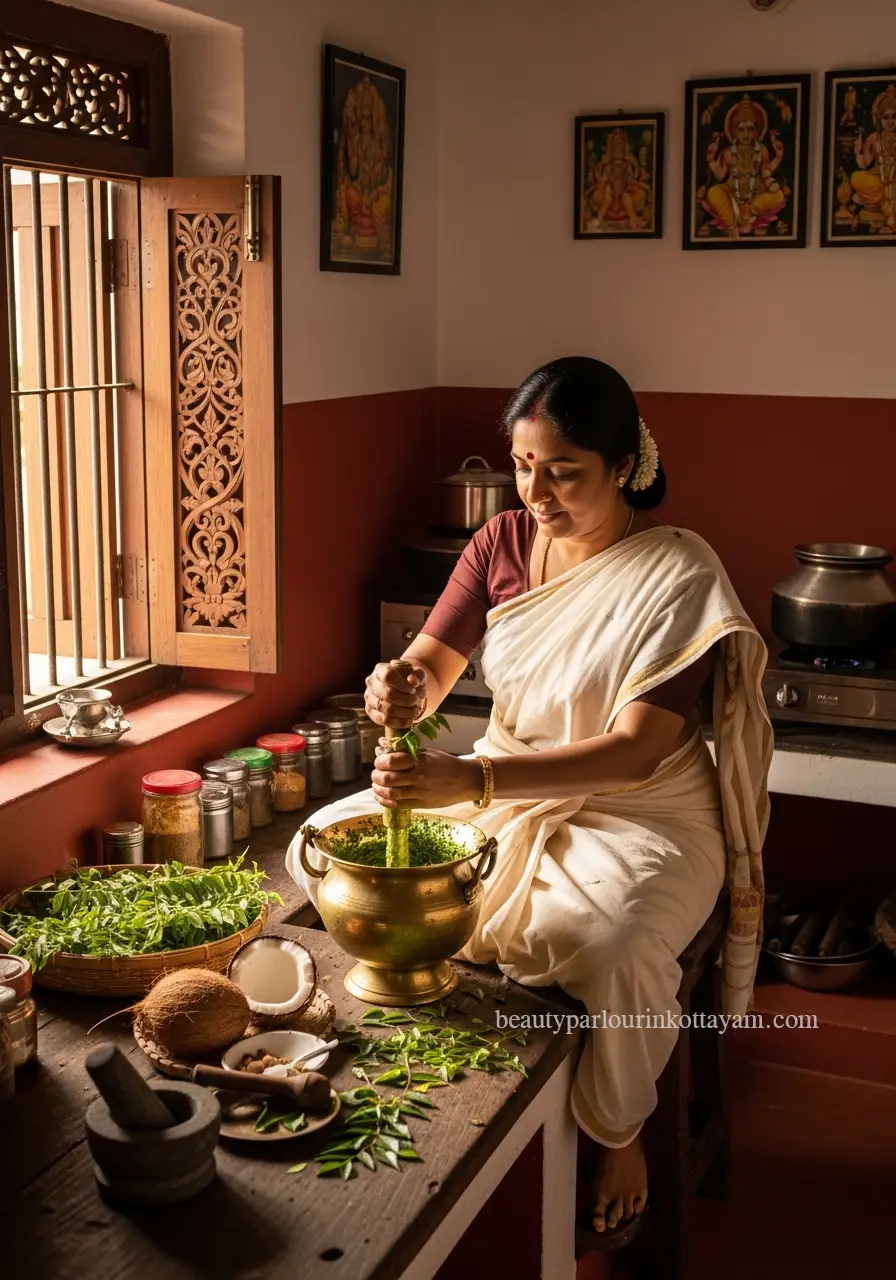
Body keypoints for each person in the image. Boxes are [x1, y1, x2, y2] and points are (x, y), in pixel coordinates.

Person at [288, 356, 771, 1239]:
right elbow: (430, 669)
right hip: (507, 780)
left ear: (624, 467)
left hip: (643, 811)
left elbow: (635, 753)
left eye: (564, 472)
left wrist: (468, 781)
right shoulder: (501, 543)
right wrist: (394, 689)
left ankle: (620, 1127)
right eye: (521, 465)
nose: (536, 492)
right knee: (316, 846)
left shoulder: (678, 574)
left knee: (614, 945)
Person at [705, 95, 786, 237]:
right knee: (713, 193)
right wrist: (711, 160)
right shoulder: (729, 152)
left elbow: (766, 172)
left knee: (778, 196)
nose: (746, 133)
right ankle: (732, 226)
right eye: (741, 129)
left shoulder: (762, 150)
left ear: (756, 131)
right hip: (732, 195)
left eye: (750, 129)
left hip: (755, 197)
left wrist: (778, 157)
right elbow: (722, 176)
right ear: (734, 131)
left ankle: (749, 212)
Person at [850, 84, 896, 233]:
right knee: (857, 177)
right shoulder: (873, 138)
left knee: (859, 198)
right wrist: (858, 151)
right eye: (886, 117)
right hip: (877, 179)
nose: (890, 121)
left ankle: (878, 204)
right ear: (879, 119)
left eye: (894, 117)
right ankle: (886, 206)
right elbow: (864, 164)